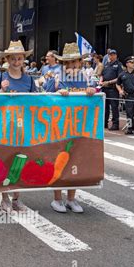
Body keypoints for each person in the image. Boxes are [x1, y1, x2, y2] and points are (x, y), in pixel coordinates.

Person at [49, 43, 97, 214]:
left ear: (80, 62)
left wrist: (91, 91)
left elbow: (92, 95)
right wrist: (58, 92)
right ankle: (57, 199)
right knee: (59, 161)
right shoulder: (58, 76)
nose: (72, 65)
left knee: (75, 161)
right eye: (68, 63)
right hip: (60, 127)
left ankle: (71, 198)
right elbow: (47, 97)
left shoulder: (84, 77)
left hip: (78, 127)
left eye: (75, 62)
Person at [0, 40, 35, 214]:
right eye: (13, 59)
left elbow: (37, 101)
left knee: (21, 161)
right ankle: (4, 199)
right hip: (4, 126)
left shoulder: (29, 79)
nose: (16, 62)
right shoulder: (0, 78)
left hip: (22, 126)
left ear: (23, 60)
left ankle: (17, 199)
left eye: (19, 59)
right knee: (5, 161)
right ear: (7, 59)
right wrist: (1, 91)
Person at [99, 49, 123, 130]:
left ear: (116, 55)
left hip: (113, 88)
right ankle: (104, 122)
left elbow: (119, 78)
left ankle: (115, 124)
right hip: (105, 88)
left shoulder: (118, 65)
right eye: (110, 54)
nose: (111, 56)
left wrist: (108, 82)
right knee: (105, 107)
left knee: (114, 107)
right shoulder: (106, 64)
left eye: (113, 54)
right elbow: (102, 75)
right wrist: (101, 81)